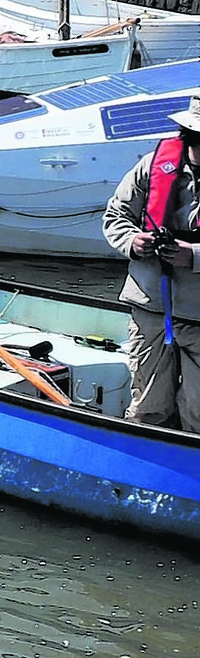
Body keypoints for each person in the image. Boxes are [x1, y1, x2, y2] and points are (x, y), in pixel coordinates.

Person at [103, 103, 200, 426]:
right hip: (151, 310)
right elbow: (116, 217)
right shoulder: (153, 165)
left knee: (198, 413)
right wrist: (133, 241)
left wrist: (194, 256)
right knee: (147, 408)